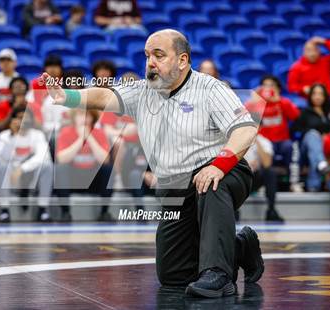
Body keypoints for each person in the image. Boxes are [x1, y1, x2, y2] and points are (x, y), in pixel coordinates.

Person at [43, 29, 263, 298]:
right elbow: (103, 97)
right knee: (172, 276)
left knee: (211, 185)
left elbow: (245, 130)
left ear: (182, 60)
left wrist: (219, 165)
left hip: (223, 170)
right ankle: (241, 246)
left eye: (159, 55)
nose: (150, 62)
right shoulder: (142, 91)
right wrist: (68, 97)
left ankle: (219, 275)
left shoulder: (211, 89)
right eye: (147, 55)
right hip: (176, 187)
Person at [0, 107, 53, 223]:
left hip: (32, 178)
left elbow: (43, 156)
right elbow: (0, 158)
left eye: (26, 117)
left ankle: (43, 209)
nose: (23, 121)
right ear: (13, 120)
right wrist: (13, 136)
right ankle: (4, 210)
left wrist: (21, 169)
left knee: (47, 166)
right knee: (1, 167)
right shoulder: (4, 136)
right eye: (19, 118)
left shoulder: (38, 135)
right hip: (12, 180)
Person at [55, 109, 113, 222]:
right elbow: (61, 159)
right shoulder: (66, 132)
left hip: (93, 179)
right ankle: (65, 212)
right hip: (73, 179)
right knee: (60, 169)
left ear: (93, 119)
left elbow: (105, 160)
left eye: (88, 116)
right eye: (81, 115)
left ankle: (104, 212)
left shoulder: (99, 133)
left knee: (108, 169)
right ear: (74, 118)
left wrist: (89, 138)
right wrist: (81, 139)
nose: (84, 119)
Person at [245, 75, 300, 192]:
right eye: (265, 85)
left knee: (290, 147)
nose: (268, 88)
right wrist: (254, 101)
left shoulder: (283, 102)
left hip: (282, 140)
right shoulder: (257, 103)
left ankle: (293, 182)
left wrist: (279, 100)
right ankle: (262, 183)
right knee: (258, 148)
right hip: (264, 140)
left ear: (278, 88)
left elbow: (295, 116)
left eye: (271, 85)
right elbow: (242, 116)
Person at [292, 84, 330, 191]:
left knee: (315, 155)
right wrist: (317, 135)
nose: (318, 96)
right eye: (315, 93)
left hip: (327, 147)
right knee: (312, 135)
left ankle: (313, 187)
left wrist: (327, 137)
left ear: (325, 96)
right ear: (310, 96)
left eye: (320, 94)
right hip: (305, 148)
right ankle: (321, 164)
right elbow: (296, 132)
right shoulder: (305, 113)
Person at [244, 133, 283, 222]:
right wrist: (245, 165)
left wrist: (256, 142)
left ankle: (271, 209)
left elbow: (267, 164)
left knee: (270, 172)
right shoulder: (236, 139)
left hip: (255, 177)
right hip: (241, 174)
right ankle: (234, 211)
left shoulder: (264, 142)